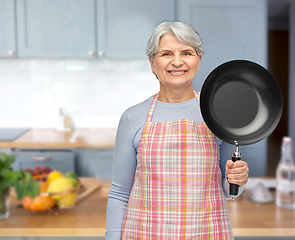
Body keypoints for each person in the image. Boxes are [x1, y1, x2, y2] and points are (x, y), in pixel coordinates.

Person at [105, 21, 249, 239]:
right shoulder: (132, 118)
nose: (177, 62)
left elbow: (226, 191)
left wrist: (236, 181)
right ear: (153, 63)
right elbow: (119, 193)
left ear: (198, 61)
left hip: (206, 232)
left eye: (187, 52)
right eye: (166, 54)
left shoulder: (218, 113)